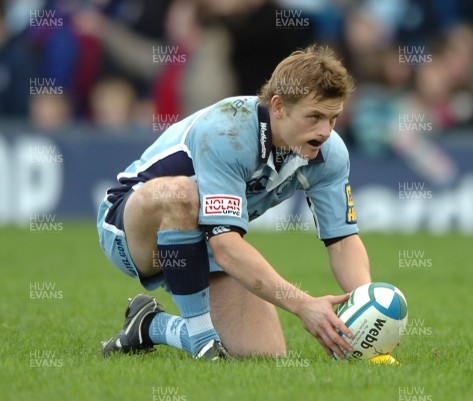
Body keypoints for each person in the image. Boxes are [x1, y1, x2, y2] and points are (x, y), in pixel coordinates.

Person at [97, 45, 372, 360]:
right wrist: (303, 305)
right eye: (315, 117)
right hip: (129, 226)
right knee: (184, 194)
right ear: (279, 106)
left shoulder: (329, 153)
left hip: (204, 238)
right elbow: (227, 247)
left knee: (264, 356)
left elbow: (342, 241)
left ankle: (149, 324)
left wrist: (368, 308)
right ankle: (202, 340)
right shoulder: (229, 130)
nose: (325, 131)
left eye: (333, 118)